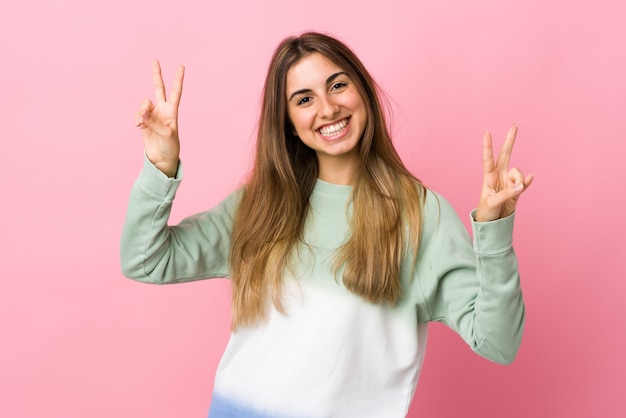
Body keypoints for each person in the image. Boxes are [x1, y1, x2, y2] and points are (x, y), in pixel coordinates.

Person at [121, 31, 533, 418]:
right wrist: (160, 164)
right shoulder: (260, 205)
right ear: (287, 123)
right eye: (303, 99)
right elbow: (146, 260)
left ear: (363, 91)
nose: (327, 108)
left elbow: (498, 342)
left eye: (337, 85)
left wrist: (495, 229)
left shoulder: (421, 215)